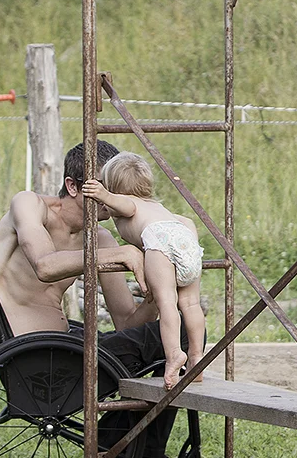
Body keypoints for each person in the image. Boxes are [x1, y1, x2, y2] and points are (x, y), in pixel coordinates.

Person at [0, 140, 189, 458]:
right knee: (182, 336)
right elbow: (45, 266)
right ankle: (133, 454)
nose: (114, 197)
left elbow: (127, 323)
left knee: (175, 332)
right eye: (104, 187)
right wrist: (121, 254)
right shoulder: (30, 205)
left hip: (68, 350)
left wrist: (156, 295)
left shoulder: (101, 239)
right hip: (33, 356)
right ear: (73, 186)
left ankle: (124, 450)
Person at [80, 152, 206, 383]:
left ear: (113, 188)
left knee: (167, 302)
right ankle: (196, 357)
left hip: (160, 241)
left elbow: (126, 206)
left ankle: (174, 355)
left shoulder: (128, 204)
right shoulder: (156, 206)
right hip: (185, 237)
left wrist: (102, 194)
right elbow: (186, 221)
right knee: (190, 303)